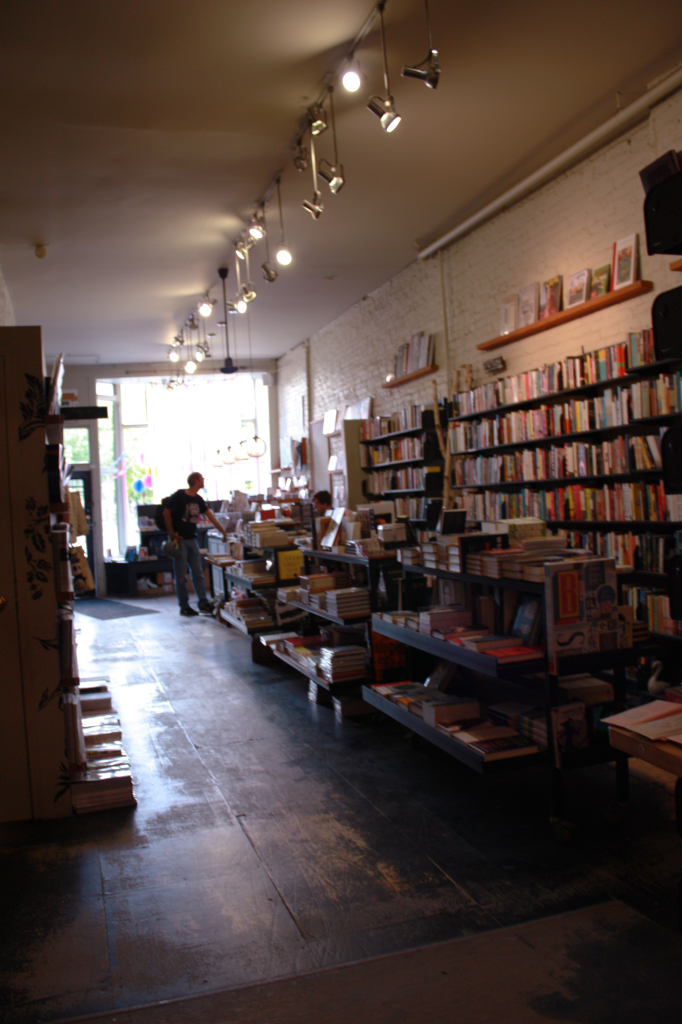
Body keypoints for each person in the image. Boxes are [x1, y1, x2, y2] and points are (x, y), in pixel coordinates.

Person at [163, 472, 228, 616]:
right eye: (201, 478)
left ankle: (203, 603)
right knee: (181, 576)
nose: (203, 480)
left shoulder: (198, 500)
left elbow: (210, 516)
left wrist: (223, 531)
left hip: (192, 540)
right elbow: (166, 512)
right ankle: (184, 606)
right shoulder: (180, 495)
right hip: (180, 541)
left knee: (198, 573)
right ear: (195, 480)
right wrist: (171, 533)